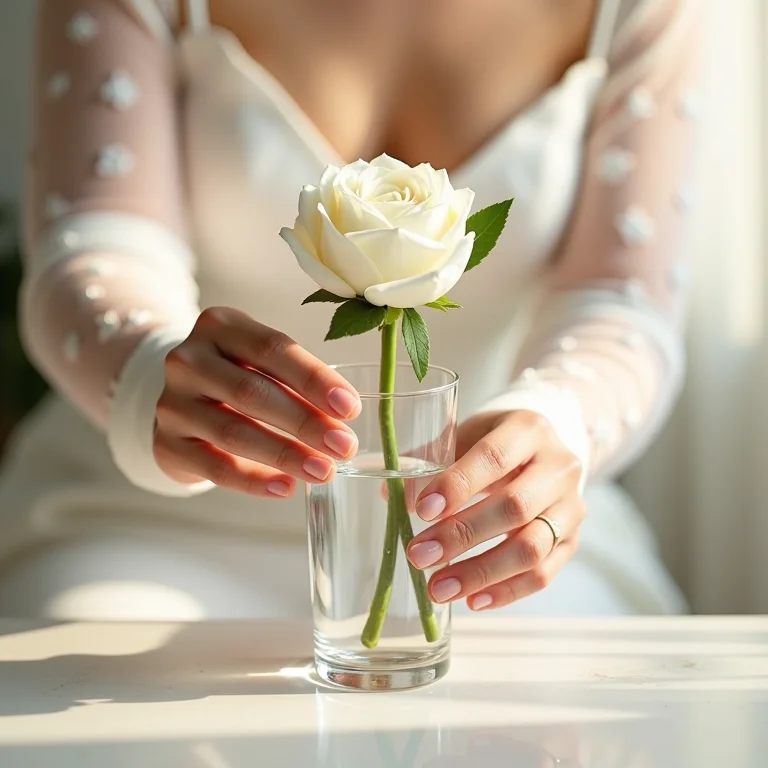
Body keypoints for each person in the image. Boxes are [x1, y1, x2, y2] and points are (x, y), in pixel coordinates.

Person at [0, 0, 701, 619]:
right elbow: (95, 244)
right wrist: (150, 373)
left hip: (481, 531)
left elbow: (621, 300)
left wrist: (555, 424)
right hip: (148, 525)